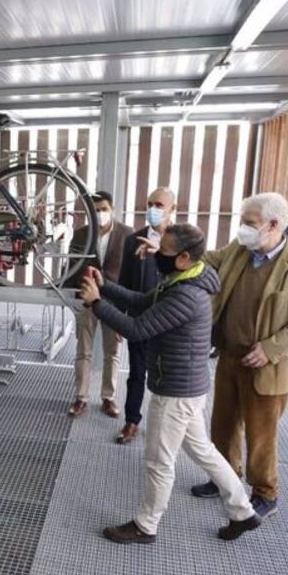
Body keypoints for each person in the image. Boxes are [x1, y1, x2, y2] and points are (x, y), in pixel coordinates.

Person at [80, 223, 260, 544]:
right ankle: (243, 511)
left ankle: (146, 525)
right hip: (188, 388)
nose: (154, 255)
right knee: (204, 451)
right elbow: (142, 301)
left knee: (158, 462)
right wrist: (105, 287)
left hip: (176, 393)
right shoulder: (184, 278)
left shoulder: (186, 295)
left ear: (184, 257)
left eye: (162, 251)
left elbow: (137, 329)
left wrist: (96, 304)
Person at [190, 193, 288, 518]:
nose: (243, 229)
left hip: (267, 366)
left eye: (250, 223)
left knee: (261, 434)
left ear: (274, 225)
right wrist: (173, 252)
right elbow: (207, 259)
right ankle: (225, 477)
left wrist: (270, 348)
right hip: (230, 355)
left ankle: (266, 493)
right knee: (223, 424)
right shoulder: (240, 250)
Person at [115, 187, 175, 444]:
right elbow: (124, 281)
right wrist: (119, 318)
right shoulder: (134, 240)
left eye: (159, 205)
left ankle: (165, 428)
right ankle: (131, 421)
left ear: (172, 209)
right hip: (140, 320)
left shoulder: (180, 241)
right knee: (137, 373)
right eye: (150, 204)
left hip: (170, 323)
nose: (153, 209)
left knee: (167, 378)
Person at [66, 191, 132, 419]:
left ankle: (108, 397)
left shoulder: (127, 234)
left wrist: (127, 310)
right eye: (95, 210)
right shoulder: (80, 235)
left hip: (114, 302)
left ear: (112, 209)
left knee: (112, 352)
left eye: (104, 209)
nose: (100, 213)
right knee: (83, 350)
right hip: (86, 300)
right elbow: (71, 268)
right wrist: (73, 300)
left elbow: (131, 275)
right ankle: (81, 397)